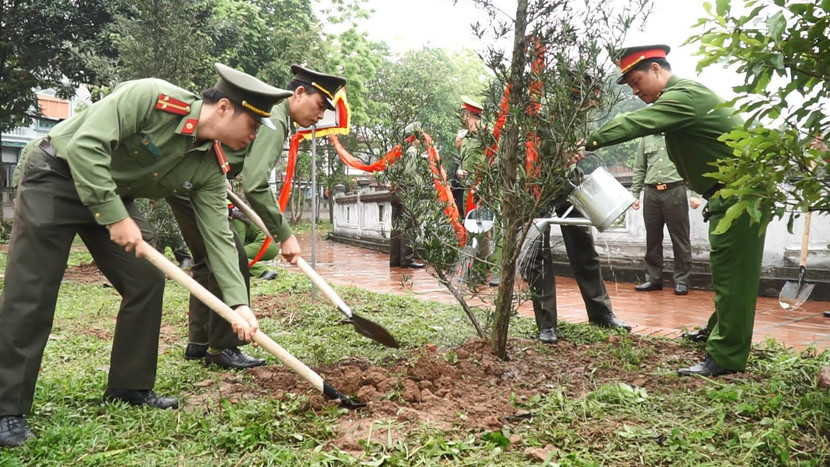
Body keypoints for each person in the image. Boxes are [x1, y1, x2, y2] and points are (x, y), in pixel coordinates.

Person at [0, 64, 291, 448]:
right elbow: (87, 146)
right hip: (57, 176)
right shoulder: (151, 97)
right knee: (32, 290)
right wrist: (116, 217)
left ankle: (129, 386)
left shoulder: (208, 165)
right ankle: (7, 409)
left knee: (145, 279)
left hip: (113, 194)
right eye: (253, 125)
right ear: (224, 108)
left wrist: (238, 303)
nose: (254, 137)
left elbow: (219, 237)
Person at [583, 44, 764, 377]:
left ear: (656, 69)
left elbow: (636, 123)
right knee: (727, 273)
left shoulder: (682, 97)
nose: (636, 92)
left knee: (734, 276)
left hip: (741, 196)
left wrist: (587, 142)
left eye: (637, 82)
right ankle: (718, 332)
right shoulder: (682, 99)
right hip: (731, 195)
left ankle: (725, 357)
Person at [175, 64, 345, 368]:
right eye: (319, 105)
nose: (320, 116)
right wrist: (284, 233)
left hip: (186, 180)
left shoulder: (276, 117)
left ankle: (199, 343)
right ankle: (224, 347)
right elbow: (255, 184)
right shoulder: (275, 120)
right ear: (299, 93)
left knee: (205, 260)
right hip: (196, 181)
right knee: (233, 258)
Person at [517, 81, 632, 344]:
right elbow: (529, 146)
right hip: (535, 185)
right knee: (538, 255)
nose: (596, 101)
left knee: (584, 249)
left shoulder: (580, 113)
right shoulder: (547, 111)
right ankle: (547, 324)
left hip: (569, 183)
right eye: (594, 94)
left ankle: (601, 313)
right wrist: (557, 155)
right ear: (577, 89)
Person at [630, 133, 700, 295]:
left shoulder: (680, 137)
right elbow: (640, 167)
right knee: (652, 238)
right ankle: (653, 279)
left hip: (675, 190)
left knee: (680, 238)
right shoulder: (646, 138)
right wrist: (634, 195)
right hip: (651, 192)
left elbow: (692, 166)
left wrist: (695, 194)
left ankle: (682, 280)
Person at [457, 96, 501, 287]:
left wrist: (486, 184)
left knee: (490, 228)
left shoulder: (487, 134)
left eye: (462, 114)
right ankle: (477, 271)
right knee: (474, 228)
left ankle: (495, 270)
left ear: (467, 114)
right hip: (469, 189)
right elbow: (466, 159)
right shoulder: (465, 137)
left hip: (485, 188)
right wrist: (460, 170)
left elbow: (494, 159)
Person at [388, 121, 425, 268]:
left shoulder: (398, 150)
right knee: (409, 225)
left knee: (396, 225)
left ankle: (395, 259)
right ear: (415, 138)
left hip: (396, 191)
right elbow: (409, 172)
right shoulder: (411, 151)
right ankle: (407, 260)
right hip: (407, 190)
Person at [229, 206, 279, 280]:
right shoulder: (238, 217)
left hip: (267, 245)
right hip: (263, 243)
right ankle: (249, 271)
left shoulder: (237, 220)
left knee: (235, 254)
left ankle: (264, 271)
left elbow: (239, 243)